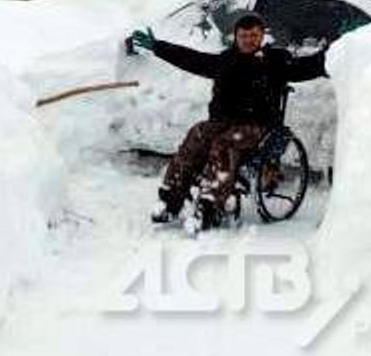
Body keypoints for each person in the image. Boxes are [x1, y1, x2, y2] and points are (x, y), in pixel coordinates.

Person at [129, 13, 328, 230]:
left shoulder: (275, 61)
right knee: (196, 135)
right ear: (236, 37)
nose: (249, 40)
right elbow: (193, 59)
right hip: (223, 121)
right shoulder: (226, 60)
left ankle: (210, 207)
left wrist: (331, 58)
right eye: (244, 35)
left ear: (262, 35)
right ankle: (170, 201)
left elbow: (305, 67)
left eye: (254, 35)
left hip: (258, 126)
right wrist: (159, 47)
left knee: (223, 144)